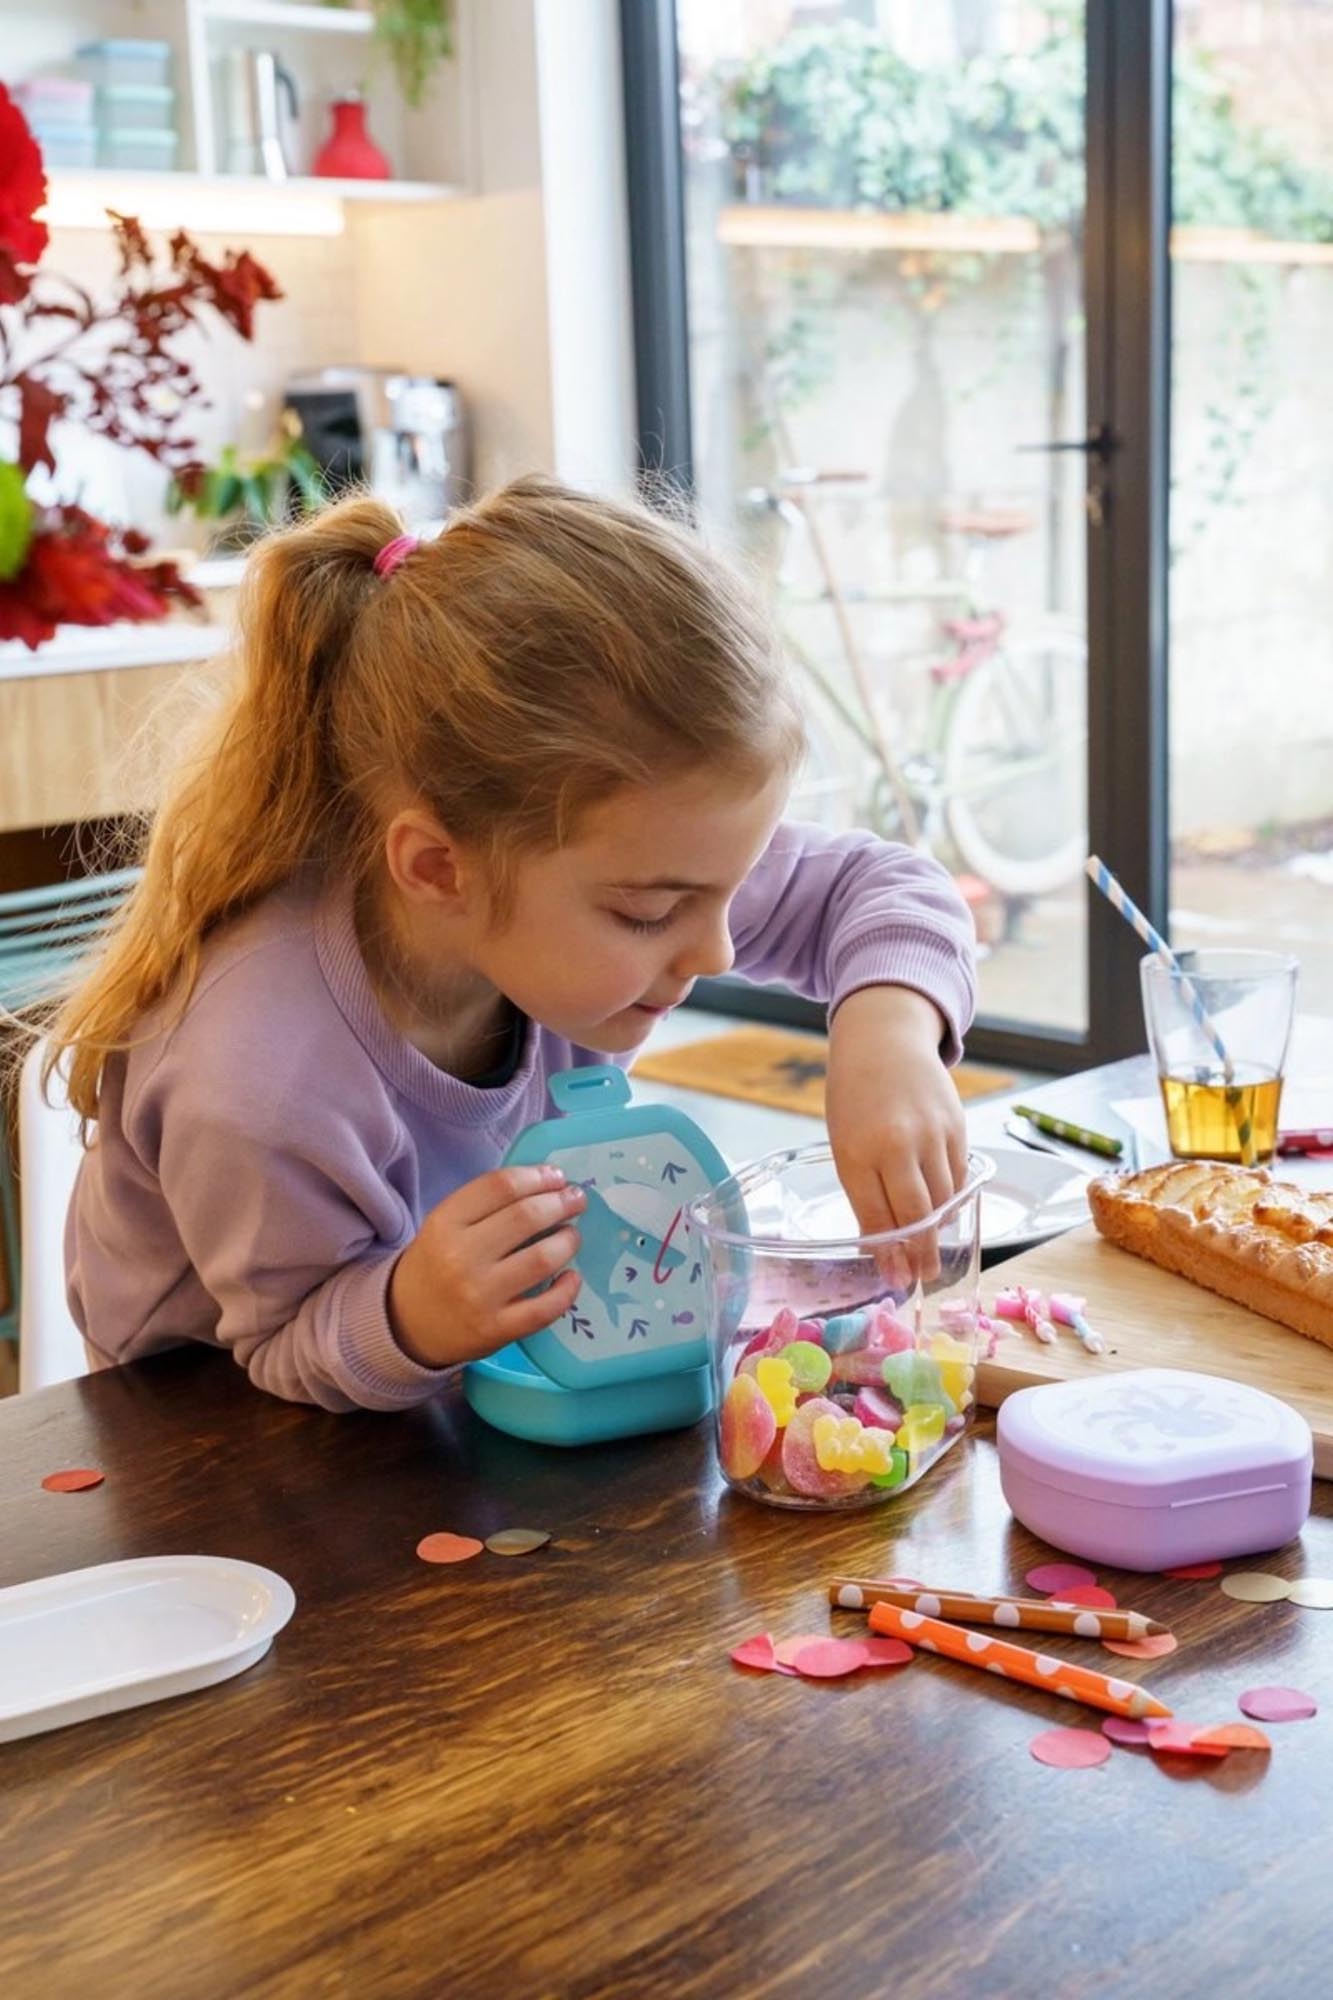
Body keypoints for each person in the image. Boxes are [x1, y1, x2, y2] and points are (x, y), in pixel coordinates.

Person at [51, 476, 976, 1413]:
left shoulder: (623, 859)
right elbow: (285, 1341)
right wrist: (412, 1313)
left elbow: (873, 888)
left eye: (729, 892)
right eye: (648, 915)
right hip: (215, 1428)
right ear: (439, 870)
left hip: (467, 1376)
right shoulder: (261, 1079)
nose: (717, 954)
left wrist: (889, 1038)